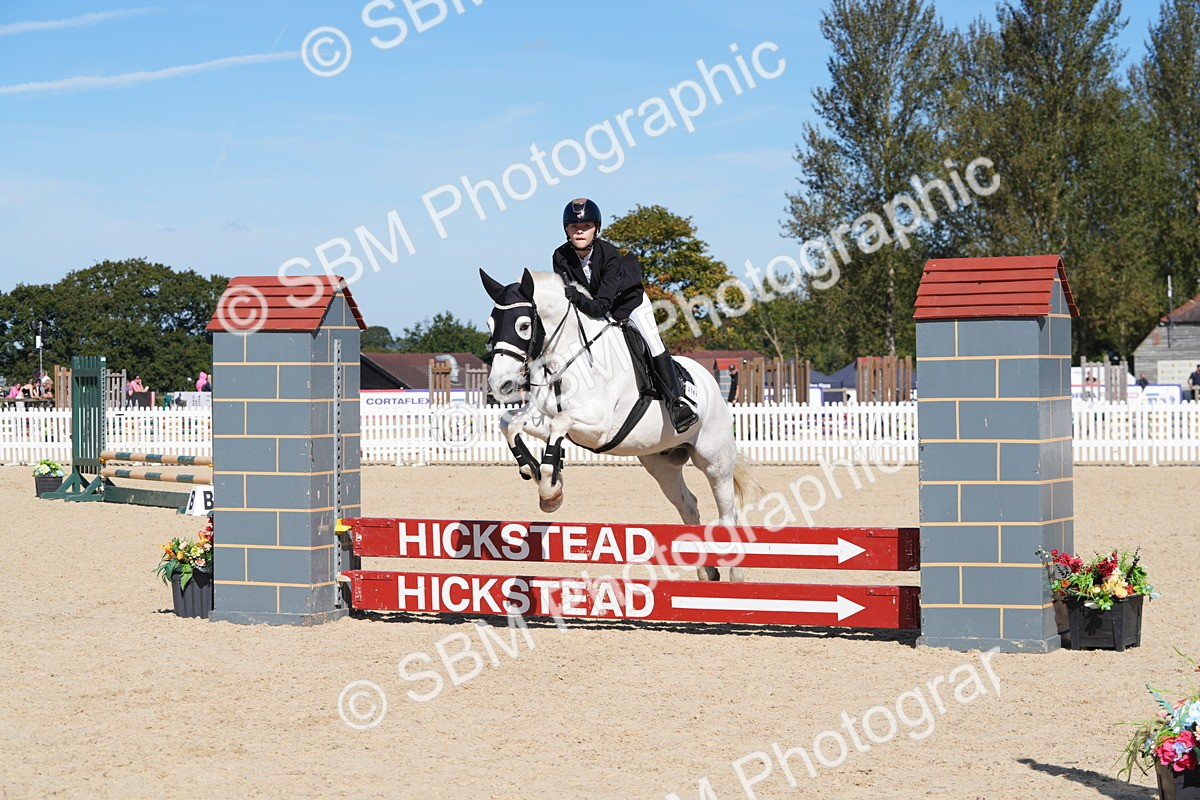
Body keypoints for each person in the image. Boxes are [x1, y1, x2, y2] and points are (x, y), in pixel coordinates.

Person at [551, 198, 698, 433]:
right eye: (573, 227)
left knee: (652, 342)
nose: (579, 231)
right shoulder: (560, 256)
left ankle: (676, 403)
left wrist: (576, 298)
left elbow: (601, 305)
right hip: (593, 306)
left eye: (586, 226)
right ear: (566, 229)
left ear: (596, 229)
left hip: (629, 303)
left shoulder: (609, 254)